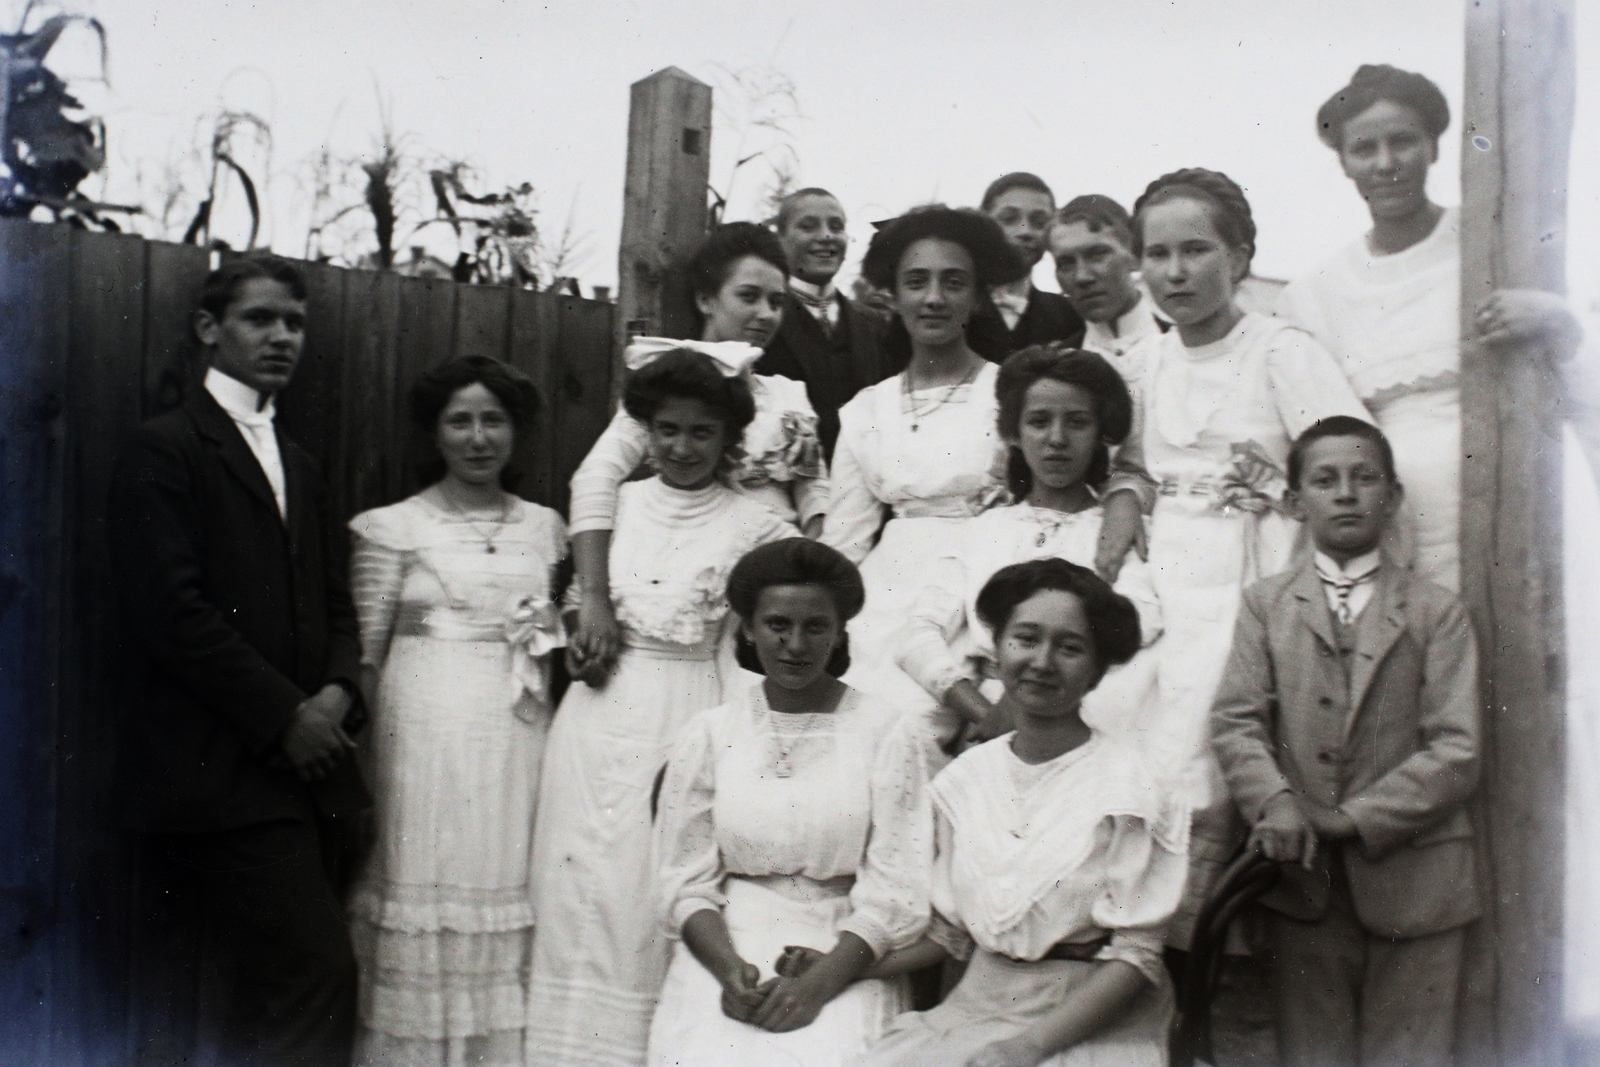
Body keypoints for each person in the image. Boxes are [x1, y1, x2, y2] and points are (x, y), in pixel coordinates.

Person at [106, 256, 365, 1067]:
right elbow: (170, 614)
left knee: (271, 996)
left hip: (305, 777)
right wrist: (286, 715)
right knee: (318, 974)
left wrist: (339, 690)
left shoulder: (300, 461)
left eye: (294, 322)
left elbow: (336, 602)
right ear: (209, 329)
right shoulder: (164, 448)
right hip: (212, 775)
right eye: (260, 319)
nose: (282, 336)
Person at [1110, 168, 1374, 947]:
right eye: (1157, 254)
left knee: (1200, 750)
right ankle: (1119, 931)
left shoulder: (1281, 352)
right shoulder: (1146, 361)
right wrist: (1125, 501)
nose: (1175, 272)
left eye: (1196, 250)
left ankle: (1180, 944)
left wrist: (1286, 496)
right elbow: (1133, 463)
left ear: (1240, 256)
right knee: (1118, 714)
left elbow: (1347, 462)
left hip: (1252, 571)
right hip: (1166, 572)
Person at [526, 349, 794, 1066]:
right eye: (667, 429)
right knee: (575, 879)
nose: (681, 447)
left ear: (728, 437)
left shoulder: (758, 525)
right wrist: (582, 634)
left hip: (685, 709)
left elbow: (765, 636)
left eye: (701, 432)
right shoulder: (617, 507)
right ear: (645, 430)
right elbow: (578, 602)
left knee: (645, 884)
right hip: (594, 714)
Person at [1211, 416, 1482, 1067]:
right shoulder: (1265, 605)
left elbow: (1457, 748)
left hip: (1420, 886)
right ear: (1294, 502)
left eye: (1365, 478)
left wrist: (1349, 818)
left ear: (1393, 497)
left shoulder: (1437, 610)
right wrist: (1276, 802)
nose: (1346, 494)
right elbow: (1236, 720)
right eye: (1325, 480)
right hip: (1304, 887)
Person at [856, 559, 1189, 1067]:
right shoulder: (964, 780)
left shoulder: (1132, 787)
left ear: (1098, 670)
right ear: (998, 647)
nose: (1042, 662)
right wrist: (850, 968)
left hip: (1092, 1014)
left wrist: (1026, 1049)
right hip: (979, 1002)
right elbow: (950, 935)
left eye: (1070, 648)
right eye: (1026, 639)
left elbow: (1135, 958)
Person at [1280, 64, 1586, 592]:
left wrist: (1556, 319)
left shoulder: (1496, 242)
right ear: (1345, 163)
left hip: (1519, 490)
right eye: (1364, 149)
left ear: (1434, 147)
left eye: (1403, 142)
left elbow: (1574, 355)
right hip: (1399, 522)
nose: (1386, 164)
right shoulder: (1315, 294)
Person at [345, 356, 567, 1067]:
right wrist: (370, 763)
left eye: (493, 420)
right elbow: (367, 656)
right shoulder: (391, 527)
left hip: (515, 729)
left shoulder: (546, 527)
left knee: (505, 872)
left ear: (515, 431)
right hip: (421, 734)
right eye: (460, 421)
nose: (478, 438)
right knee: (423, 874)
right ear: (435, 432)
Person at [647, 538, 932, 1067]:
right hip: (729, 939)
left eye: (816, 627)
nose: (796, 645)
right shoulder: (711, 732)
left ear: (840, 632)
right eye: (778, 624)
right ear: (748, 629)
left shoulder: (887, 731)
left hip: (844, 943)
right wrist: (729, 972)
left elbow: (899, 886)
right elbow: (685, 880)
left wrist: (821, 984)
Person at [567, 222, 829, 687]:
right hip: (689, 567)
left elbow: (814, 496)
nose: (765, 314)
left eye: (776, 302)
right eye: (748, 296)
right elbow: (595, 478)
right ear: (706, 300)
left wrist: (806, 577)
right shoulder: (669, 385)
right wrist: (594, 596)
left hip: (770, 577)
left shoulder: (787, 395)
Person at [895, 346, 1163, 761]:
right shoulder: (983, 530)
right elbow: (917, 634)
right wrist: (984, 712)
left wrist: (1020, 703)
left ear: (1101, 434)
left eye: (1077, 422)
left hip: (1084, 708)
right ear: (1014, 433)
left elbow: (1136, 620)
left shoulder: (1117, 532)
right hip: (981, 714)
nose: (1057, 439)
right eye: (1039, 421)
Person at [820, 205, 1022, 713]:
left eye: (953, 283)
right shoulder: (867, 410)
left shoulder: (1011, 394)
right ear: (893, 294)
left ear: (978, 296)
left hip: (988, 582)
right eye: (916, 282)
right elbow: (846, 542)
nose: (933, 298)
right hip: (887, 597)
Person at [757, 188, 899, 459]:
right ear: (780, 239)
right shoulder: (763, 317)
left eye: (836, 226)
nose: (826, 236)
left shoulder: (874, 324)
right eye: (808, 226)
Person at [966, 173, 1086, 363]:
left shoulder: (1070, 315)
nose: (1025, 231)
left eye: (1039, 222)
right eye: (1009, 219)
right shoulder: (957, 307)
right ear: (982, 223)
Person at [1047, 195, 1168, 378]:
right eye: (1066, 263)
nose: (1082, 277)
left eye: (1097, 255)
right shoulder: (1056, 369)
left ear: (1134, 257)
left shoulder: (1184, 344)